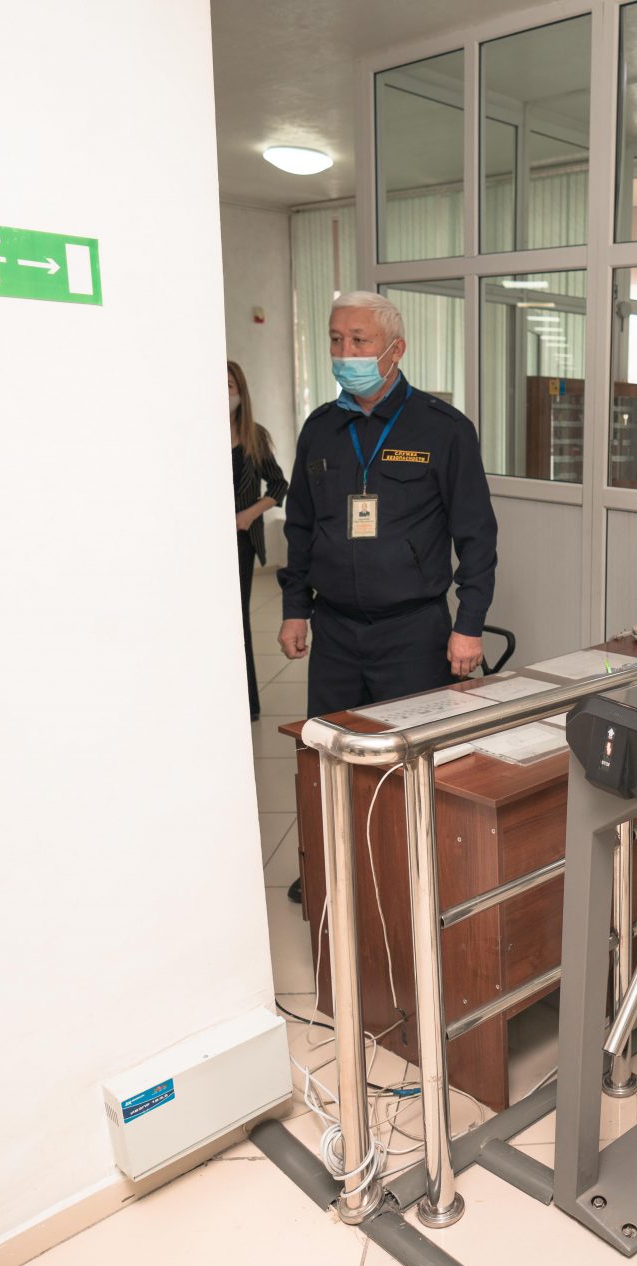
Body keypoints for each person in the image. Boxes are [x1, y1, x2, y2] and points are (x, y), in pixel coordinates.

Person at [278, 291, 497, 901]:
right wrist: (295, 608)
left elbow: (477, 536)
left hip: (412, 631)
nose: (344, 352)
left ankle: (408, 881)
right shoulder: (321, 429)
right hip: (335, 630)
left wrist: (470, 623)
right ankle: (330, 871)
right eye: (335, 339)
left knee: (409, 759)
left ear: (395, 350)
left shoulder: (442, 429)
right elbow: (300, 527)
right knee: (328, 755)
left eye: (359, 340)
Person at [230, 361, 288, 721]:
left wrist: (249, 514)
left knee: (237, 618)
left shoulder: (254, 435)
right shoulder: (196, 433)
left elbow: (279, 485)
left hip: (241, 540)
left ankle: (247, 704)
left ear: (241, 391)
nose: (224, 394)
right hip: (200, 546)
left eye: (230, 386)